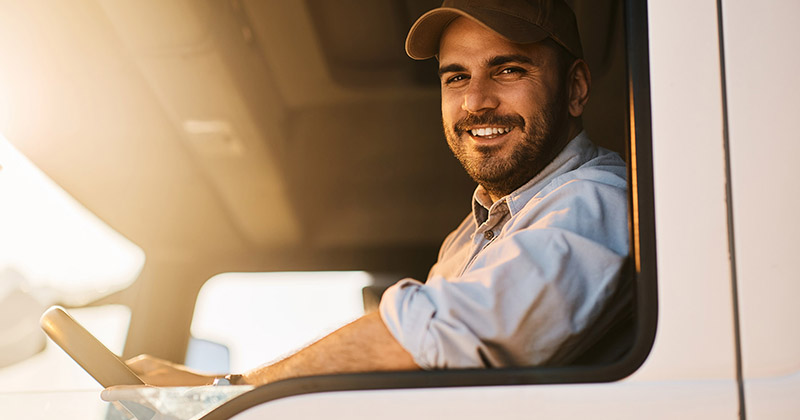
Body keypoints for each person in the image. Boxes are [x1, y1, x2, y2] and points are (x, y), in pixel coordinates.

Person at [122, 0, 629, 387]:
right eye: (456, 77)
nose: (475, 100)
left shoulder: (596, 200)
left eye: (508, 70)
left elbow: (439, 332)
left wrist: (225, 390)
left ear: (575, 88)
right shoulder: (474, 233)